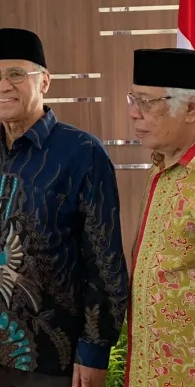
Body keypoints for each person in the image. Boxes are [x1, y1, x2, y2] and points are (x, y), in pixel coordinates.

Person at [0, 28, 128, 387]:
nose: (2, 86)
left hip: (55, 358)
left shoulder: (82, 153)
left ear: (44, 81)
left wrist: (94, 350)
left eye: (16, 74)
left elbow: (104, 262)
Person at [125, 48, 195, 386]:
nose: (133, 113)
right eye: (133, 99)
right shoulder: (161, 167)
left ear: (191, 108)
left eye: (147, 102)